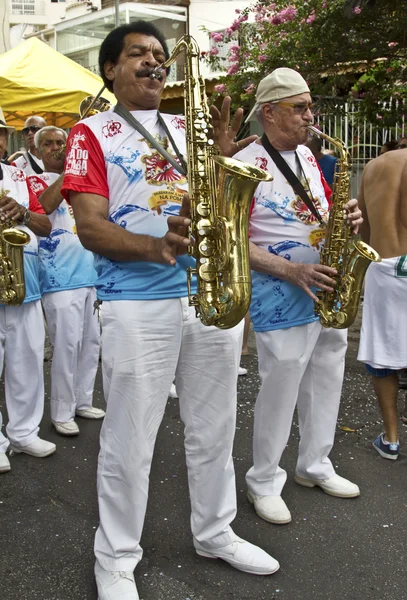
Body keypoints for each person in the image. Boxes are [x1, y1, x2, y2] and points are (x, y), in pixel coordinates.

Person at [61, 21, 278, 600]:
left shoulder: (189, 129)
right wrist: (156, 247)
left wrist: (223, 166)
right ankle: (116, 556)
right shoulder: (90, 132)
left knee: (214, 429)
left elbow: (210, 207)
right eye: (138, 54)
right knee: (131, 437)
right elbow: (89, 226)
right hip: (136, 304)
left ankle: (215, 531)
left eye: (160, 55)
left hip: (205, 297)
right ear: (111, 68)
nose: (155, 63)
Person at [220, 67, 363, 526]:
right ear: (269, 113)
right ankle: (263, 478)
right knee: (282, 382)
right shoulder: (246, 164)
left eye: (308, 106)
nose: (309, 115)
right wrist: (289, 268)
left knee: (327, 372)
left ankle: (315, 463)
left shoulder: (308, 156)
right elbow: (230, 238)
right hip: (279, 287)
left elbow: (319, 208)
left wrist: (349, 216)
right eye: (299, 108)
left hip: (324, 283)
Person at [27, 126, 102, 437]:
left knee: (91, 342)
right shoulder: (33, 180)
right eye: (49, 143)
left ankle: (83, 400)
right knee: (66, 346)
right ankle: (61, 410)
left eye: (62, 142)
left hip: (91, 273)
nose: (56, 147)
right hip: (59, 278)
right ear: (38, 150)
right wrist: (70, 167)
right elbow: (44, 206)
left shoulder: (79, 176)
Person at [0, 108, 55, 473]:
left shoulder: (18, 176)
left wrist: (21, 214)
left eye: (1, 133)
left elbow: (46, 225)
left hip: (24, 281)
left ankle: (23, 432)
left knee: (28, 359)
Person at [357, 148, 407, 460]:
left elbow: (362, 228)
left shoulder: (375, 165)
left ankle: (390, 439)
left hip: (380, 265)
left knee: (382, 354)